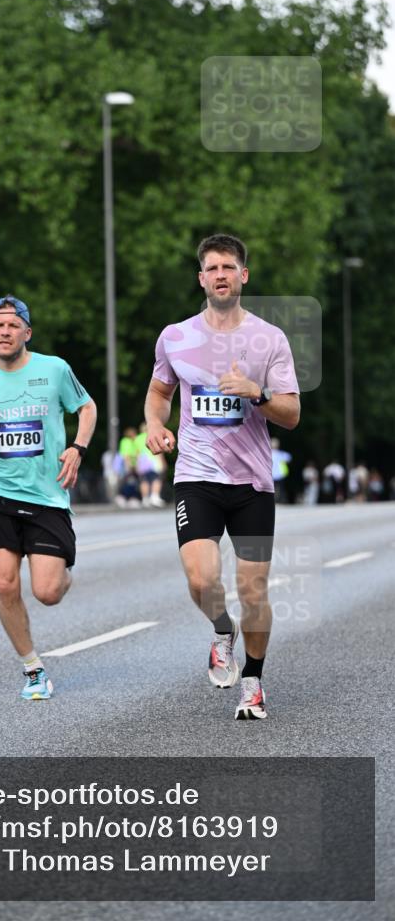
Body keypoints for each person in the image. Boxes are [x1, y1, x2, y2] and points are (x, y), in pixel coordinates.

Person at [144, 234, 300, 720]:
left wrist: (257, 394)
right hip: (196, 476)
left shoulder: (269, 339)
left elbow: (292, 413)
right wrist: (154, 425)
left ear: (243, 275)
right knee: (200, 578)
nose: (221, 275)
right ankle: (220, 629)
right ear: (201, 278)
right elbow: (158, 392)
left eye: (229, 267)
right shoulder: (176, 336)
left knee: (254, 589)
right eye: (212, 268)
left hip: (253, 484)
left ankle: (252, 680)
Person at [0, 295, 97, 699]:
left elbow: (86, 407)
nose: (6, 332)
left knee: (47, 592)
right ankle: (33, 669)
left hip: (47, 495)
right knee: (4, 583)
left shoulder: (54, 369)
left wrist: (78, 448)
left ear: (27, 333)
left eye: (14, 325)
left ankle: (64, 576)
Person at [135, 421, 165, 506]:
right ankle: (154, 497)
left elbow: (137, 453)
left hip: (142, 462)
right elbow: (159, 450)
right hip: (153, 460)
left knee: (144, 480)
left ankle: (145, 499)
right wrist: (162, 462)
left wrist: (137, 465)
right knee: (156, 479)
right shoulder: (154, 436)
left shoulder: (138, 438)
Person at [270, 438, 291, 503]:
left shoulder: (269, 453)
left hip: (273, 474)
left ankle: (275, 500)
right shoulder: (281, 454)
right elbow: (289, 458)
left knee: (273, 489)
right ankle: (279, 500)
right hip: (279, 474)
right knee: (280, 488)